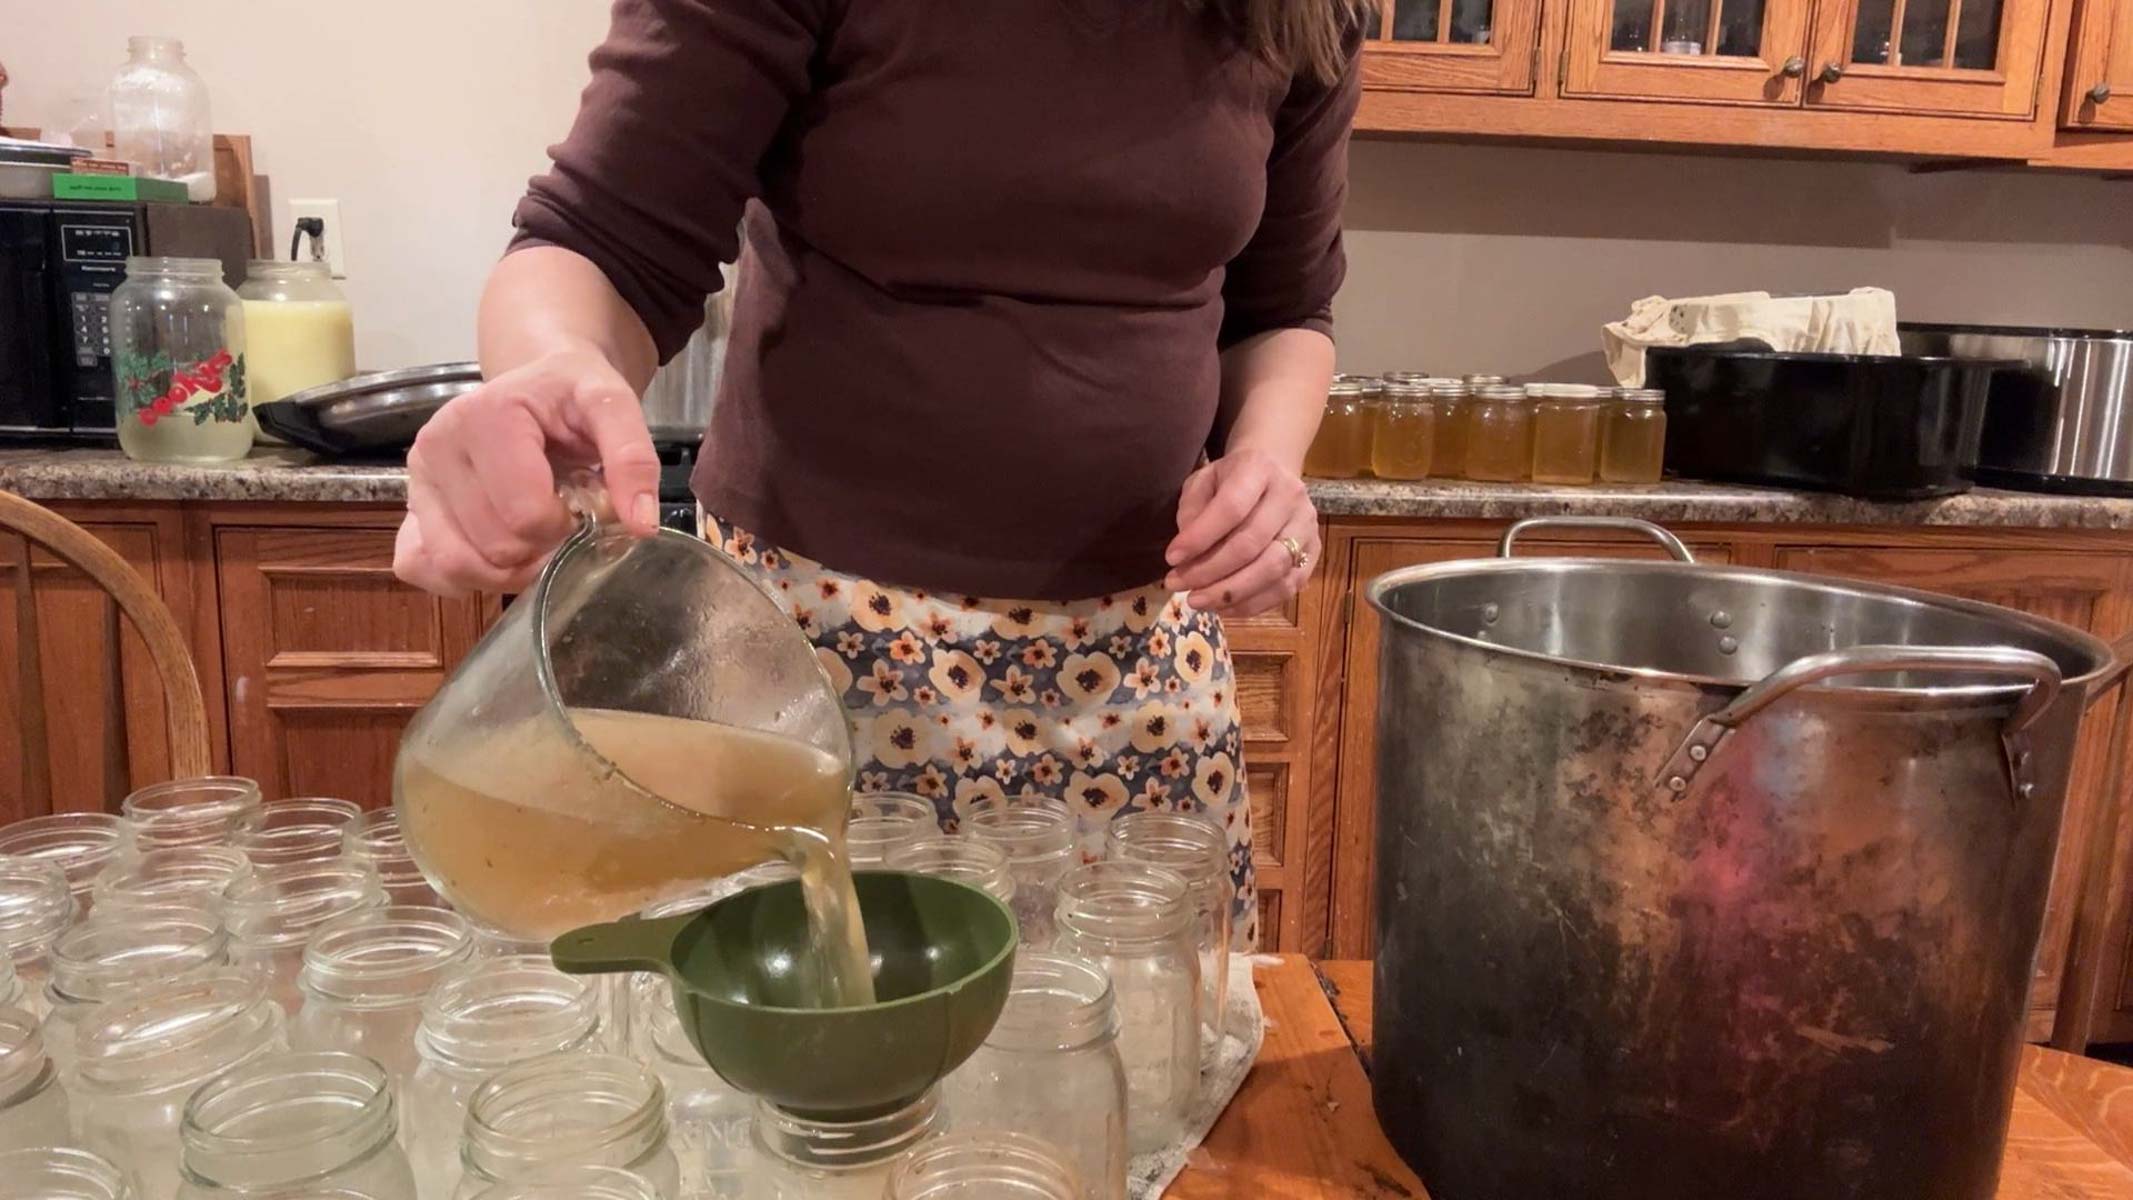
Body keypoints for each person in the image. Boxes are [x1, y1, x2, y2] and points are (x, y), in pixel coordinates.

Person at [393, 0, 1368, 947]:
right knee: (807, 1068)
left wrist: (1265, 463)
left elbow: (1283, 311)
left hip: (1143, 658)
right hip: (816, 645)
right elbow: (605, 237)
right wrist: (546, 366)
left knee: (1143, 1056)